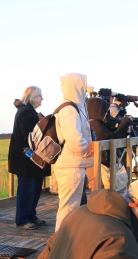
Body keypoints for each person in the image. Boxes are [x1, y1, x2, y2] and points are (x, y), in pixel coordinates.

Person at [53, 73, 93, 231]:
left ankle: (65, 245)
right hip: (70, 167)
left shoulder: (73, 107)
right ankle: (59, 246)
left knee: (72, 209)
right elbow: (74, 140)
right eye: (82, 86)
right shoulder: (69, 109)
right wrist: (89, 150)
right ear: (77, 87)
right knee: (68, 210)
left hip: (74, 165)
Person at [8, 86, 48, 230]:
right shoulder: (26, 112)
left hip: (30, 159)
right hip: (25, 159)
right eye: (40, 96)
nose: (42, 99)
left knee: (34, 188)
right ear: (32, 97)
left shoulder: (29, 111)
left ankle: (31, 216)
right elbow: (29, 136)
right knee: (27, 189)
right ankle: (23, 219)